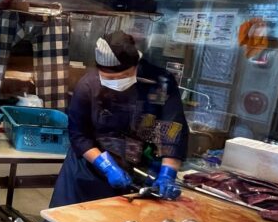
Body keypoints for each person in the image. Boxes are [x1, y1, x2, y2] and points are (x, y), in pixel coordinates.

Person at [51, 31, 188, 207]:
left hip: (138, 172)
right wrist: (106, 166)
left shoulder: (161, 82)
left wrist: (168, 173)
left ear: (136, 65)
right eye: (109, 78)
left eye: (124, 76)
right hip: (88, 171)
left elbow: (173, 127)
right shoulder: (88, 85)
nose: (117, 82)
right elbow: (79, 135)